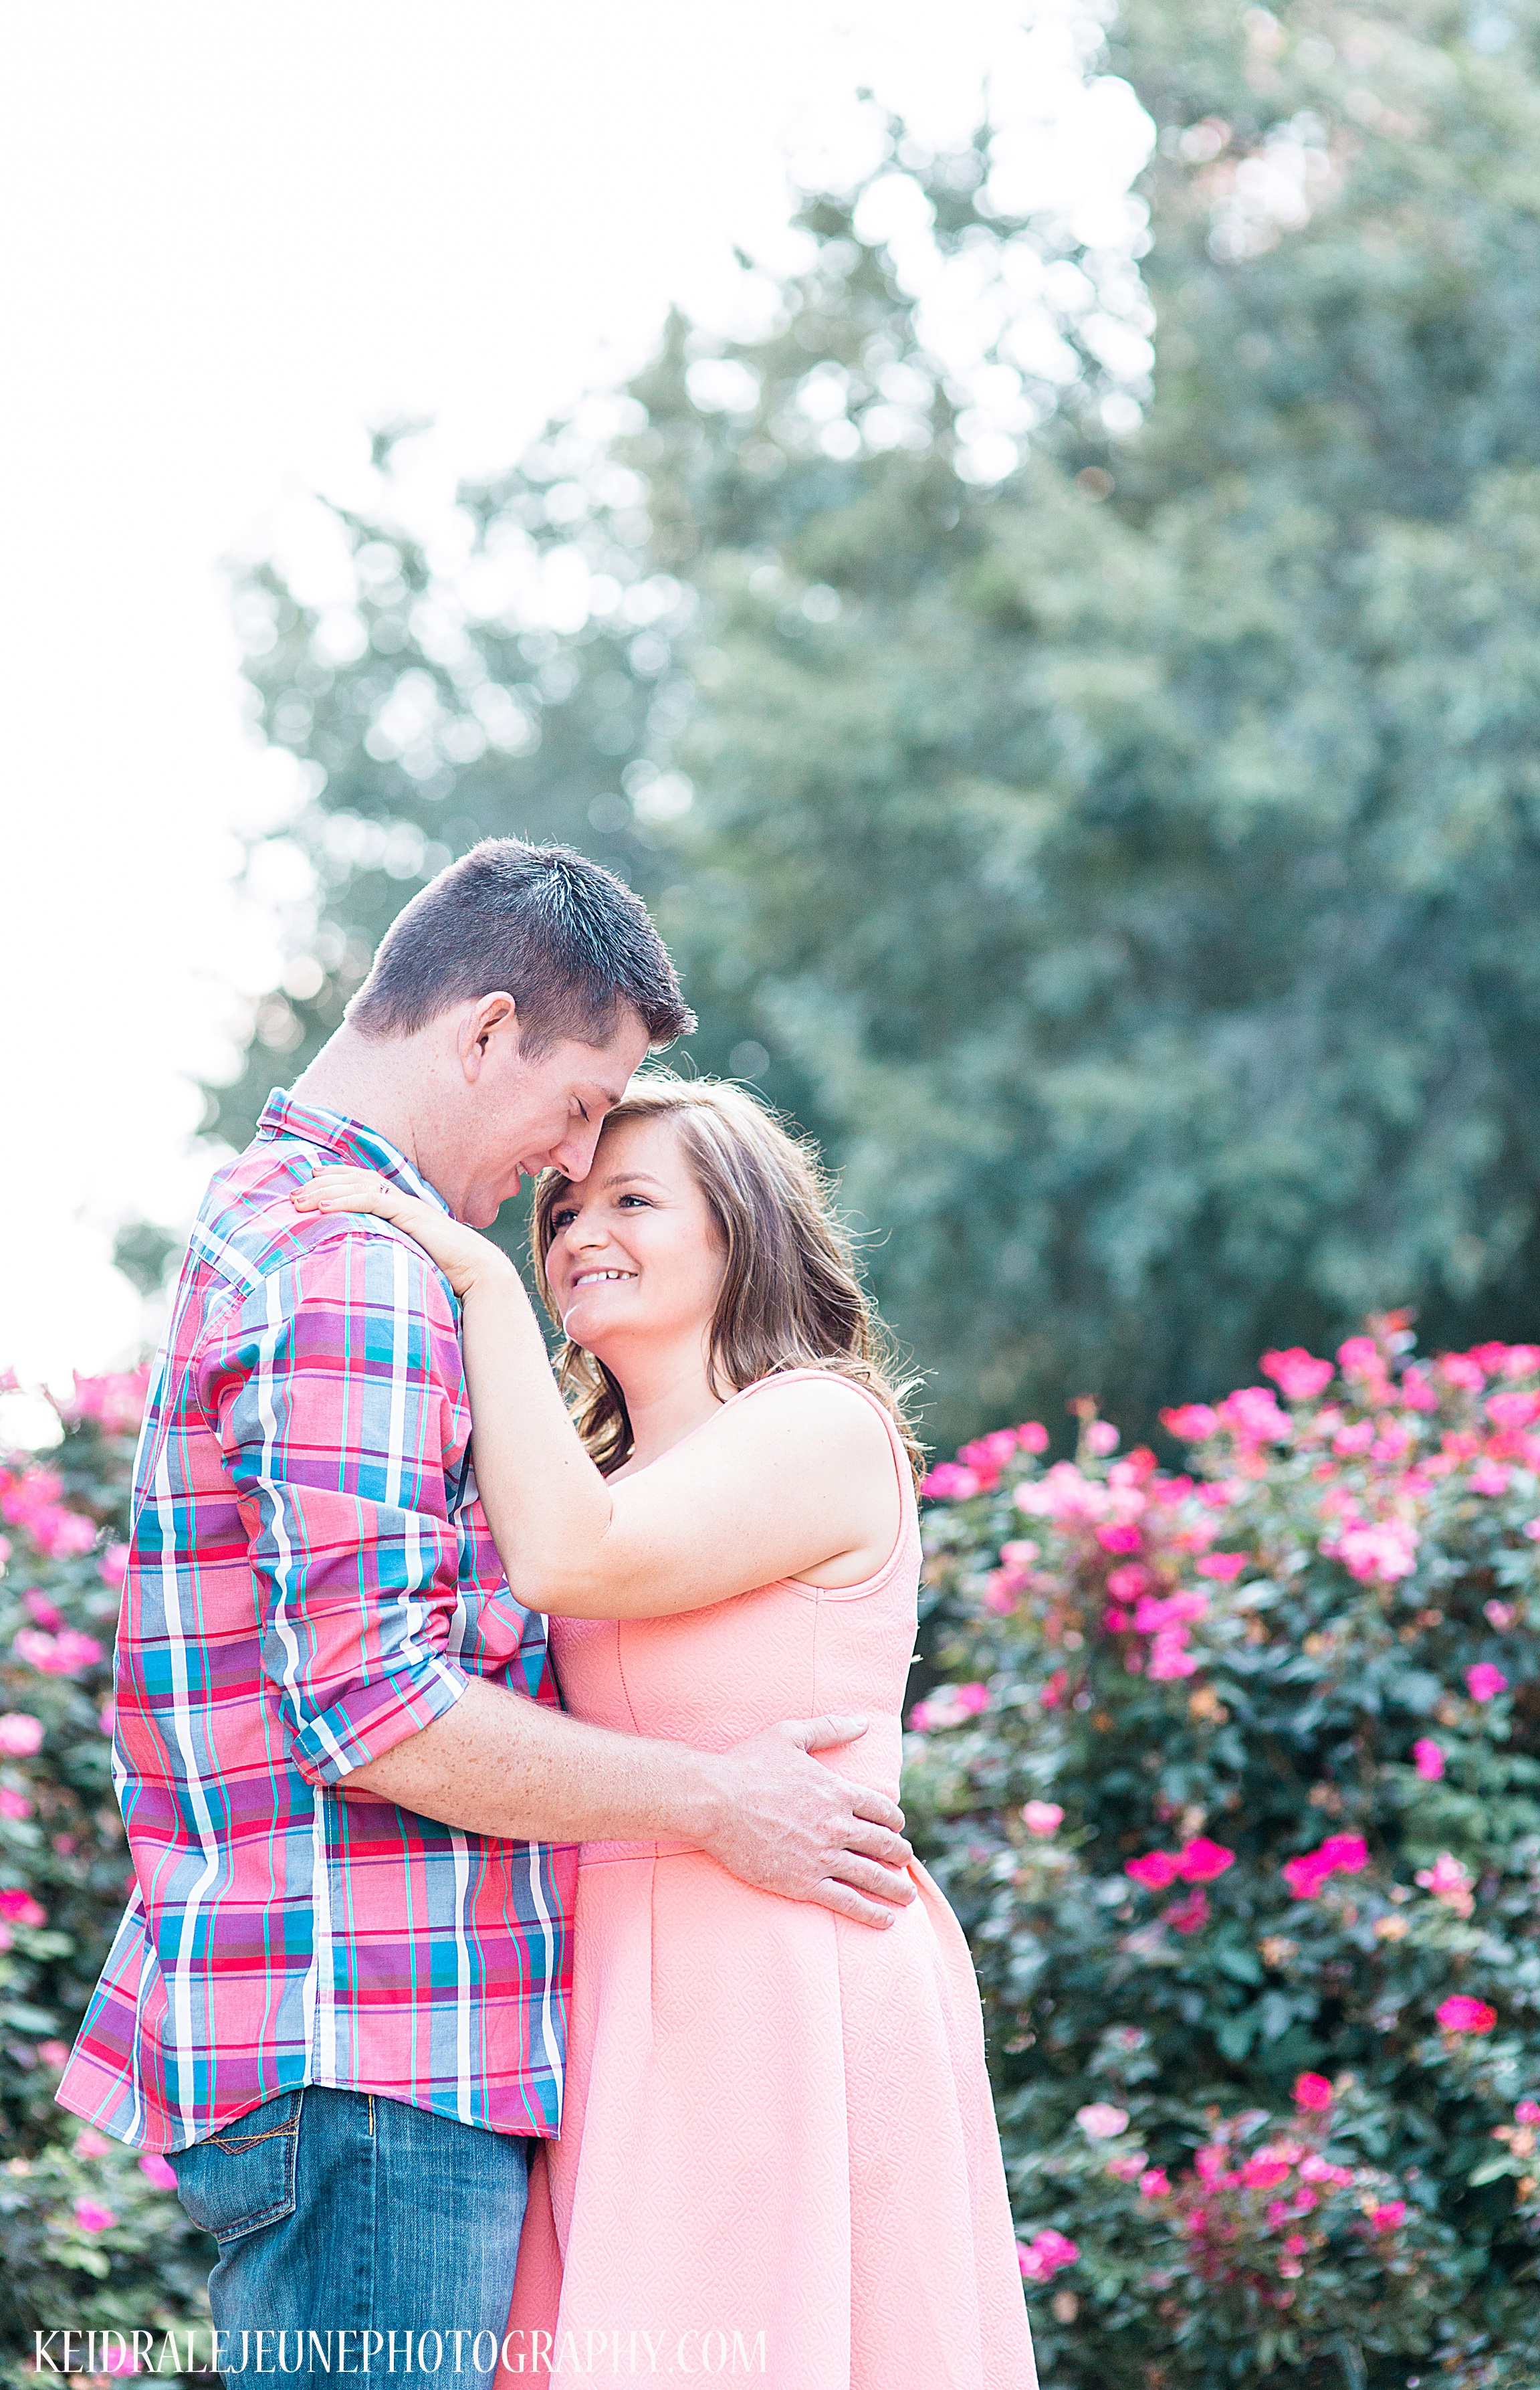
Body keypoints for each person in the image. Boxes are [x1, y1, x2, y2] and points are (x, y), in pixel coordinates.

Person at [58, 842, 914, 2374]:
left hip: (406, 2039)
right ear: (481, 1032)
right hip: (375, 2032)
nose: (567, 1166)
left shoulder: (308, 1230)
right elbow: (378, 1703)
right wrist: (720, 1799)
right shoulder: (367, 1264)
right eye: (580, 1105)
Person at [291, 1076, 1038, 2390]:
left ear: (740, 1231)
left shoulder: (818, 1425)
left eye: (634, 1199)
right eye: (564, 1205)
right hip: (613, 1986)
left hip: (782, 1964)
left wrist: (472, 1271)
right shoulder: (594, 1470)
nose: (579, 1228)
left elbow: (575, 1557)